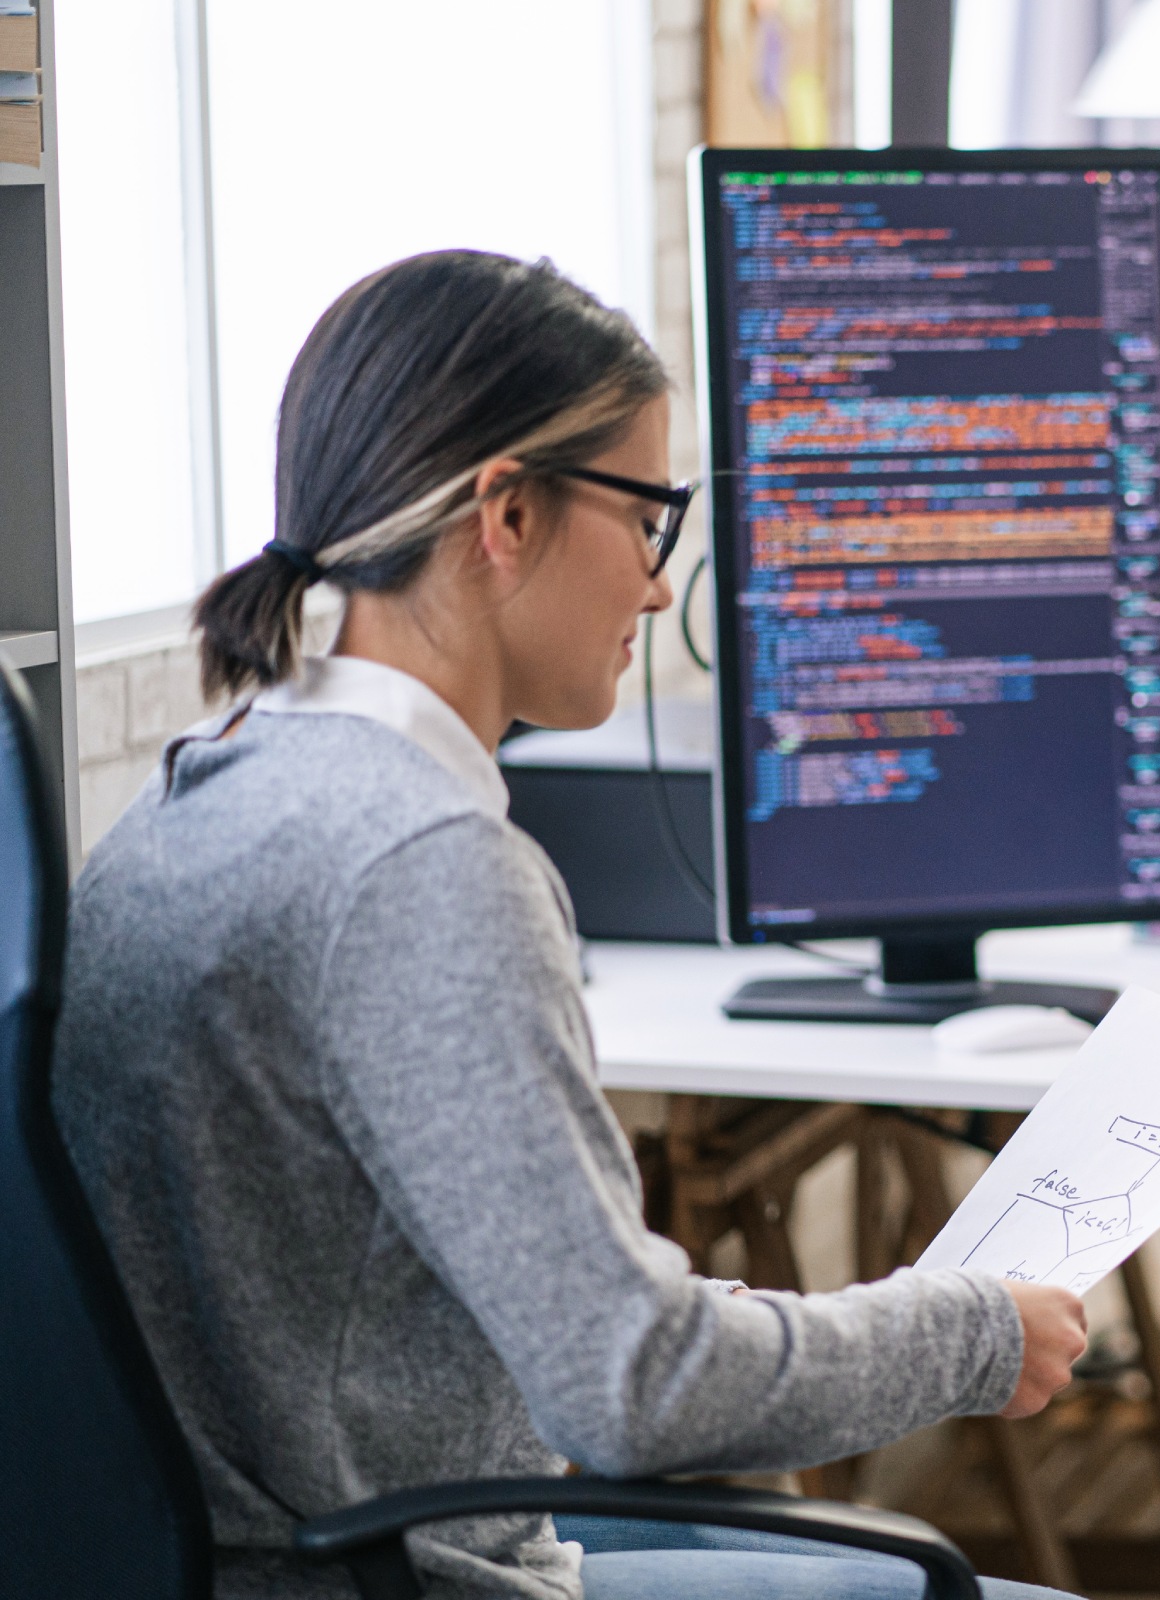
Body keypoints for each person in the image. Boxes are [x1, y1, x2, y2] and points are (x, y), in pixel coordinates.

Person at [53, 250, 1090, 1600]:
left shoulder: (214, 776)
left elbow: (563, 1317)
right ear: (508, 516)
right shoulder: (421, 863)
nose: (662, 587)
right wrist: (972, 1335)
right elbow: (635, 1390)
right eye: (650, 519)